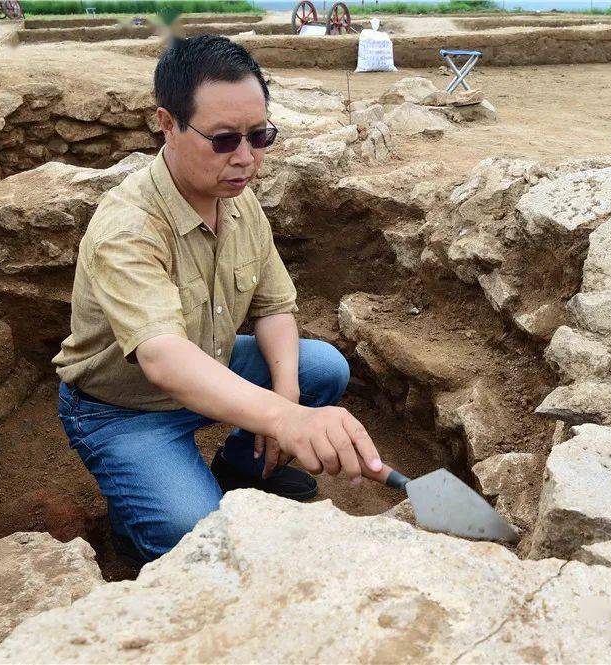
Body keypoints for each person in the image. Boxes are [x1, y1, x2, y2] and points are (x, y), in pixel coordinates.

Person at [53, 35, 382, 563]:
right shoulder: (129, 227)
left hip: (215, 364)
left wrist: (288, 398)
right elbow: (162, 357)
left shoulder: (239, 200)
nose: (246, 159)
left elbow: (274, 306)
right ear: (168, 124)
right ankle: (133, 518)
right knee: (195, 533)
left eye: (260, 135)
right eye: (225, 139)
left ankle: (243, 468)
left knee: (321, 368)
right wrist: (282, 419)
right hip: (124, 409)